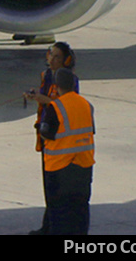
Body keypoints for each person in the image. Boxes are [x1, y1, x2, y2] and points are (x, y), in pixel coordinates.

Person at [26, 43, 78, 234]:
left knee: (57, 188)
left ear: (66, 61)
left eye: (57, 57)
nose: (52, 60)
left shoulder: (69, 80)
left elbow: (69, 104)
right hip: (46, 135)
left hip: (61, 140)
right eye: (51, 56)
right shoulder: (46, 76)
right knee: (49, 187)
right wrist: (36, 96)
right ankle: (48, 226)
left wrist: (44, 100)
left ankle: (54, 228)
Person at [39, 68, 95, 235]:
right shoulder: (86, 104)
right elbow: (91, 130)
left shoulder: (55, 107)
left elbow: (46, 133)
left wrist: (39, 127)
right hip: (83, 165)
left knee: (58, 212)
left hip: (59, 168)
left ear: (56, 87)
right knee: (80, 208)